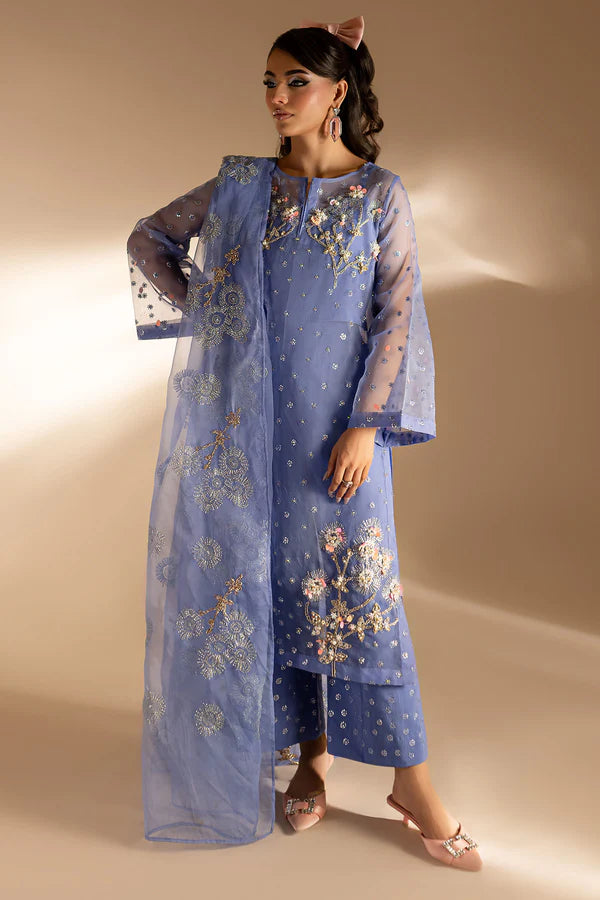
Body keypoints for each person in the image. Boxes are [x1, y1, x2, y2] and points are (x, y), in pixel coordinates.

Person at [126, 15, 482, 870]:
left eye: (295, 82)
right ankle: (310, 762)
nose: (277, 97)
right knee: (272, 590)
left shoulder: (380, 194)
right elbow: (149, 239)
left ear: (338, 92)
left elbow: (397, 313)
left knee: (360, 594)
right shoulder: (245, 186)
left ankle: (411, 781)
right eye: (269, 82)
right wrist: (220, 319)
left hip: (339, 437)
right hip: (248, 434)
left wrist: (366, 425)